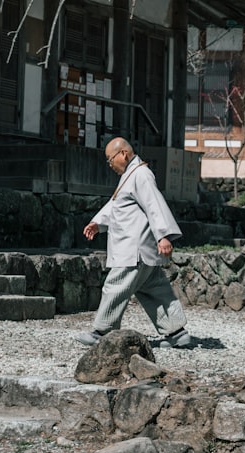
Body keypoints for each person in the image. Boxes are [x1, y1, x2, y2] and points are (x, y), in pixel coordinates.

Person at [76, 136, 192, 348]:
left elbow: (154, 204)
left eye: (111, 160)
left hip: (133, 249)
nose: (110, 165)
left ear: (123, 154)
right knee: (154, 288)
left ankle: (103, 331)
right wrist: (98, 223)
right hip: (137, 247)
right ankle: (177, 333)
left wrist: (163, 235)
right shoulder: (132, 175)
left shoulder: (140, 174)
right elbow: (116, 205)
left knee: (116, 286)